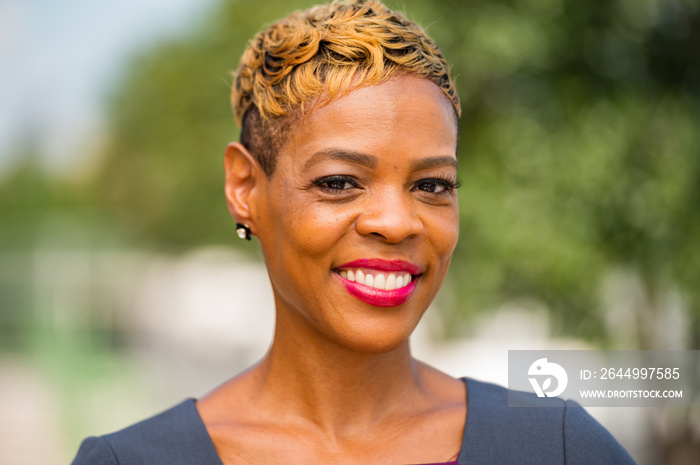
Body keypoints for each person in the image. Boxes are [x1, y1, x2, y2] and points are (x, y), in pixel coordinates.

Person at [71, 1, 635, 464]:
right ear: (245, 188)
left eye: (433, 185)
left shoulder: (555, 448)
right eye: (340, 182)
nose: (396, 223)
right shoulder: (137, 461)